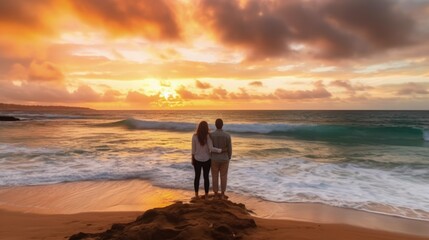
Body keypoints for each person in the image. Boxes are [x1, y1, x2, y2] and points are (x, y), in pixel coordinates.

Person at [192, 121, 222, 200]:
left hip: (197, 159)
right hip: (207, 160)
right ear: (206, 128)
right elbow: (211, 149)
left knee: (197, 177)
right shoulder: (208, 136)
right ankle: (206, 196)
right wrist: (220, 150)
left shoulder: (194, 136)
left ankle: (196, 195)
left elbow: (193, 150)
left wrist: (192, 159)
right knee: (206, 177)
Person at [210, 118, 232, 199]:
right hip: (224, 158)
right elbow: (229, 148)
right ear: (222, 125)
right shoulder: (227, 135)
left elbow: (210, 147)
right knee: (223, 176)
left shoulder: (211, 135)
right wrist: (229, 156)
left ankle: (215, 194)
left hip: (214, 158)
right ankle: (222, 194)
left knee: (214, 176)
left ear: (215, 125)